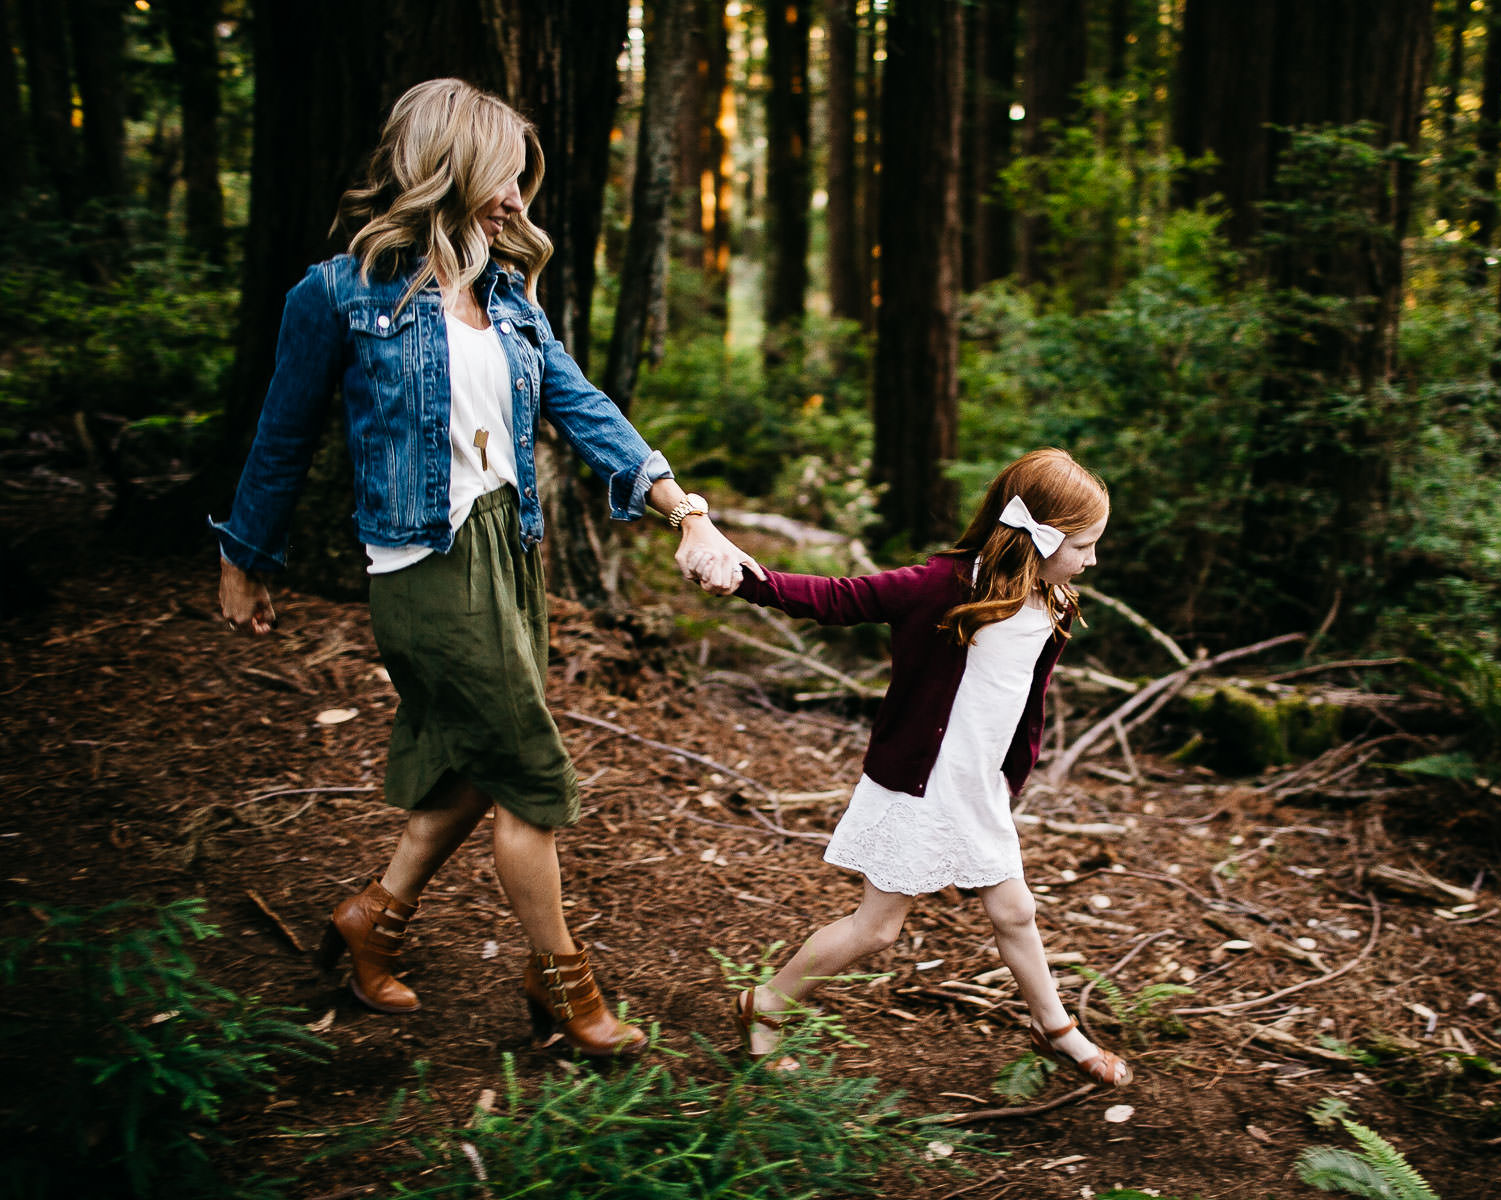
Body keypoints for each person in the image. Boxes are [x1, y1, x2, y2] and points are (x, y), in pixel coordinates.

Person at [213, 78, 761, 1058]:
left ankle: (372, 918)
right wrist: (243, 557)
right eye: (505, 172)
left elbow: (588, 411)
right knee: (531, 777)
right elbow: (281, 436)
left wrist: (687, 512)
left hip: (508, 553)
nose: (518, 196)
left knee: (478, 757)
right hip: (423, 565)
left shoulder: (508, 303)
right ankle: (564, 985)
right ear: (454, 165)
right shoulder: (337, 293)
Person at [712, 448, 1132, 1088]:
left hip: (977, 792)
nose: (1092, 559)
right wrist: (744, 578)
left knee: (1015, 911)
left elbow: (1024, 707)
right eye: (1083, 544)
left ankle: (1056, 1031)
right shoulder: (941, 587)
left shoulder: (1052, 605)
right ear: (1040, 536)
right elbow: (834, 598)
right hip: (918, 789)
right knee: (877, 930)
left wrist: (1008, 780)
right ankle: (764, 1004)